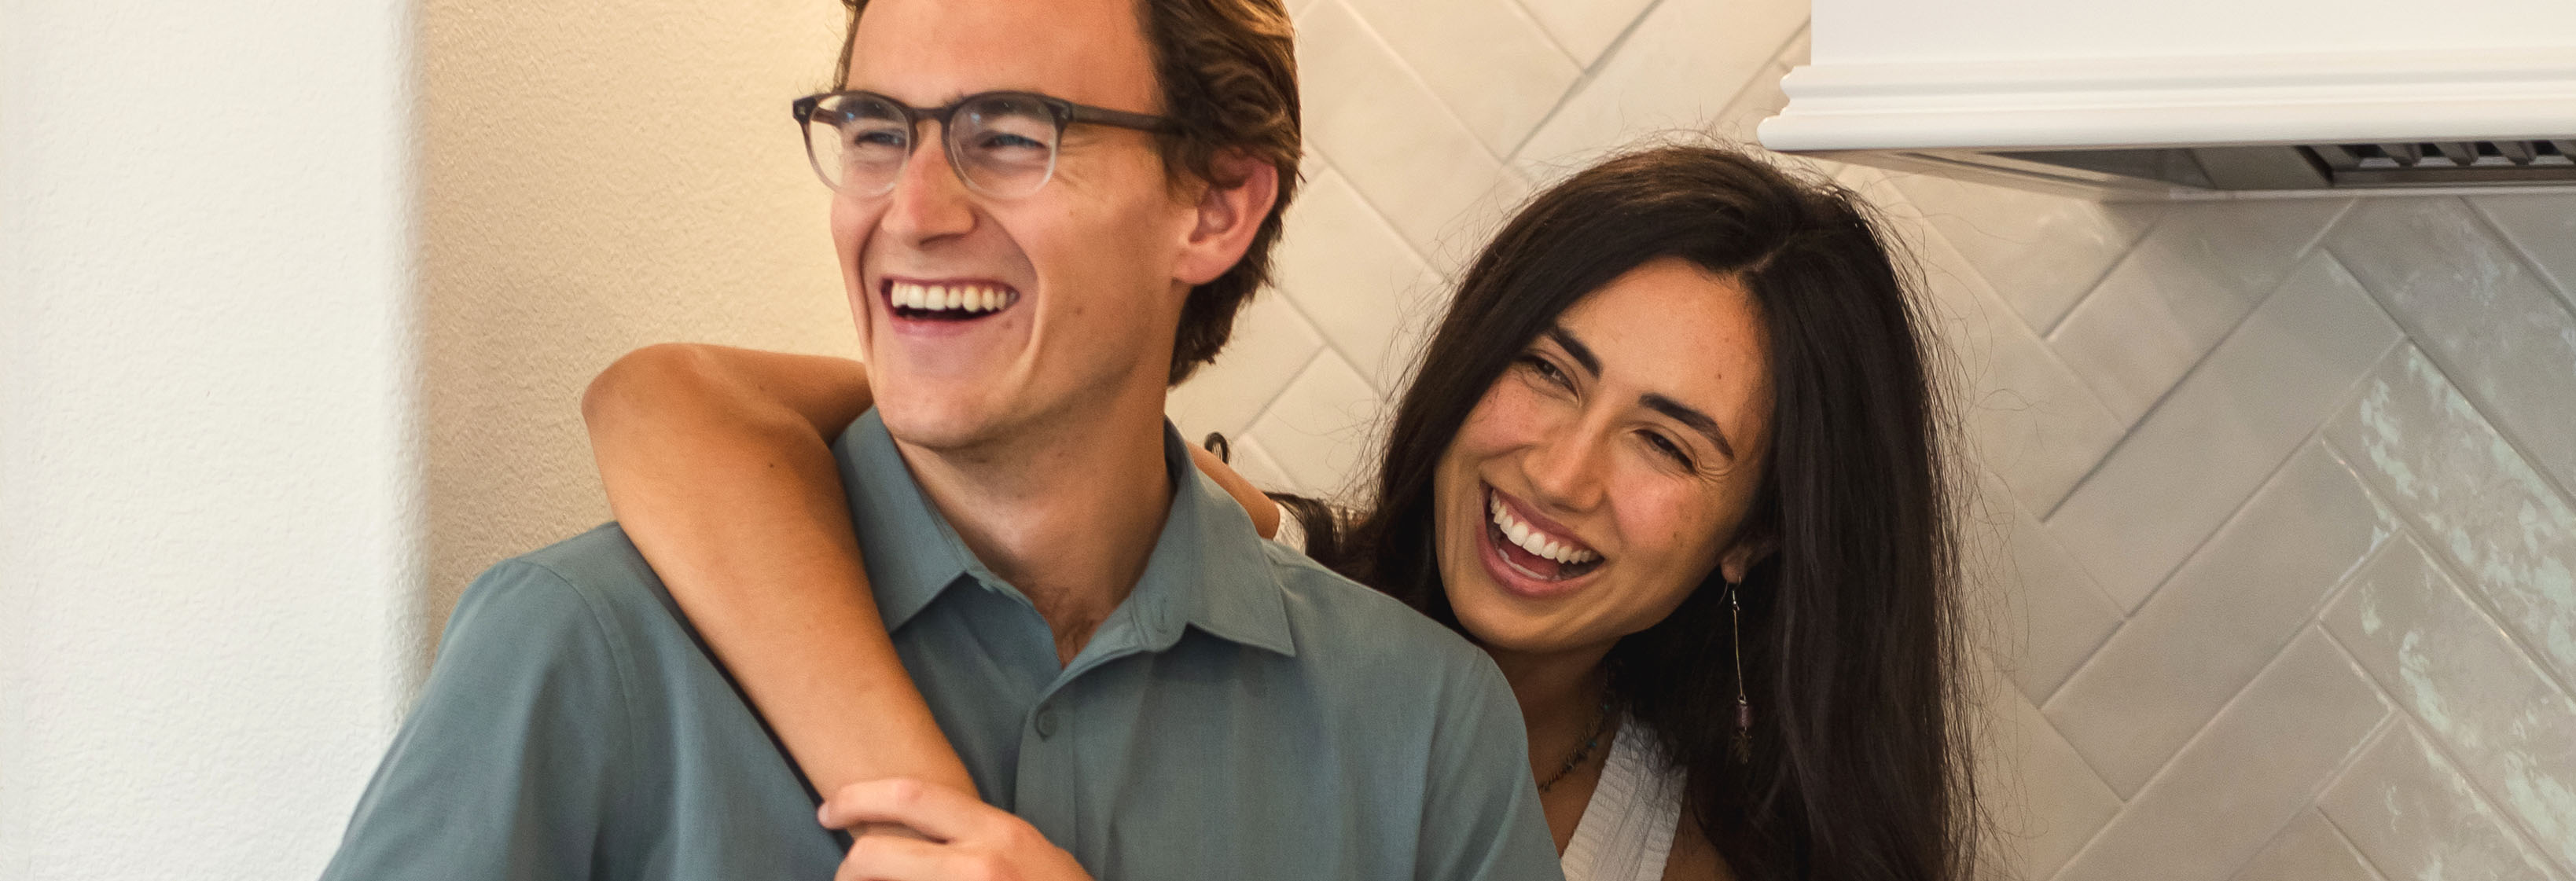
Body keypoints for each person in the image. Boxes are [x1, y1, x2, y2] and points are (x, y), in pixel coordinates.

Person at [318, 0, 1566, 878]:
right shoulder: (581, 647)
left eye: (1011, 134)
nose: (912, 211)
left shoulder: (1421, 729)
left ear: (1216, 203)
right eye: (874, 129)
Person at [586, 145, 1981, 880]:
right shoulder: (1251, 553)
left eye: (1665, 442)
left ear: (1758, 531)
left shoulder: (1690, 854)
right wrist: (933, 816)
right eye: (1546, 370)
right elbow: (667, 409)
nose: (1560, 472)